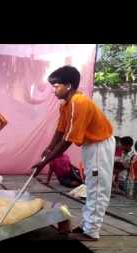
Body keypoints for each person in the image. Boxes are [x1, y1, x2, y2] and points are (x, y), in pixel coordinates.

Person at [31, 66, 115, 241]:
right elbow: (60, 131)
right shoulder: (66, 105)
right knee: (91, 185)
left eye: (56, 86)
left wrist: (45, 162)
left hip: (99, 145)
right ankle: (87, 225)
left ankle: (91, 231)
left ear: (68, 86)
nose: (53, 90)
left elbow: (68, 140)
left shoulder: (79, 102)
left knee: (97, 188)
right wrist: (48, 148)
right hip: (90, 145)